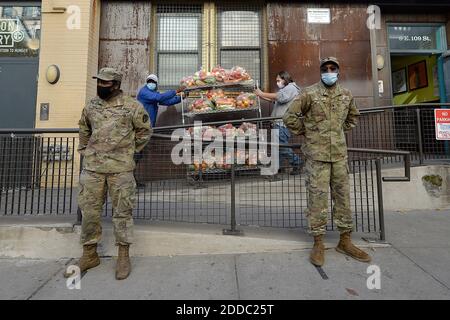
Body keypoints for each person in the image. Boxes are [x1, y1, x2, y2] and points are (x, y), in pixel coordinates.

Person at [283, 57, 371, 266]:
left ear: (338, 72)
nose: (329, 71)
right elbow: (289, 117)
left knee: (343, 199)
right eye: (325, 69)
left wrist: (338, 132)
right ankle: (318, 243)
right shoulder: (309, 93)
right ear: (320, 71)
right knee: (317, 201)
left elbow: (353, 117)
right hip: (317, 157)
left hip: (339, 155)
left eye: (333, 69)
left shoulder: (346, 94)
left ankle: (345, 241)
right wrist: (308, 132)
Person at [66, 67, 152, 280]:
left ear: (116, 85)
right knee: (89, 212)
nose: (100, 86)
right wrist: (85, 151)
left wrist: (129, 152)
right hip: (93, 169)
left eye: (105, 83)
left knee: (122, 213)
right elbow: (83, 128)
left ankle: (123, 255)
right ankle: (89, 254)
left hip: (120, 170)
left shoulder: (131, 106)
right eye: (99, 82)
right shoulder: (92, 105)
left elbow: (144, 131)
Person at [255, 71, 303, 175]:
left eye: (278, 80)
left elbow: (280, 97)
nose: (277, 82)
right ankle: (277, 169)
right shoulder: (286, 90)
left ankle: (297, 162)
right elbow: (275, 100)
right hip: (279, 123)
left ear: (285, 79)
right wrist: (260, 95)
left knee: (281, 147)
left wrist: (261, 93)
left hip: (282, 124)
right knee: (278, 148)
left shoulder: (290, 88)